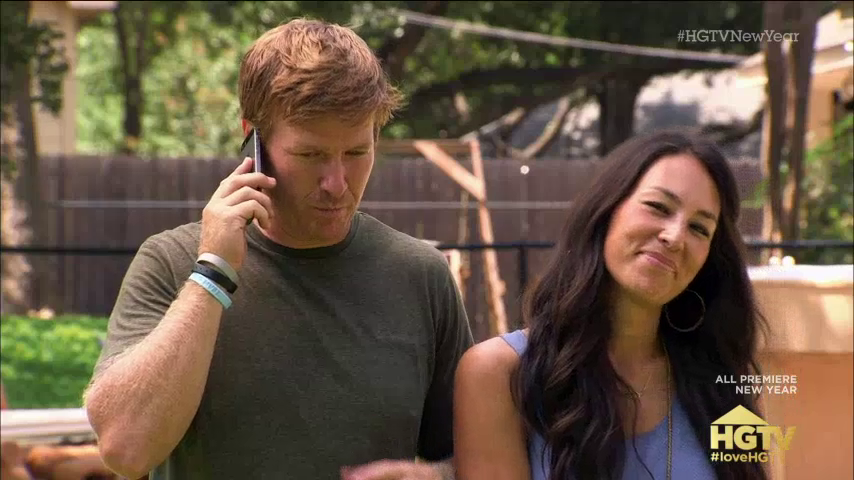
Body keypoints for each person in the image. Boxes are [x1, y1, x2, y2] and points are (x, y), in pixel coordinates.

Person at [83, 18, 473, 480]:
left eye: (356, 153)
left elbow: (485, 457)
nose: (336, 183)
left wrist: (435, 478)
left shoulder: (420, 276)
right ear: (254, 138)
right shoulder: (171, 262)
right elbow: (126, 450)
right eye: (310, 155)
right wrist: (212, 273)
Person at [453, 129, 771, 480]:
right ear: (606, 211)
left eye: (699, 228)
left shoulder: (725, 382)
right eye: (658, 207)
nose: (675, 236)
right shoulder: (498, 373)